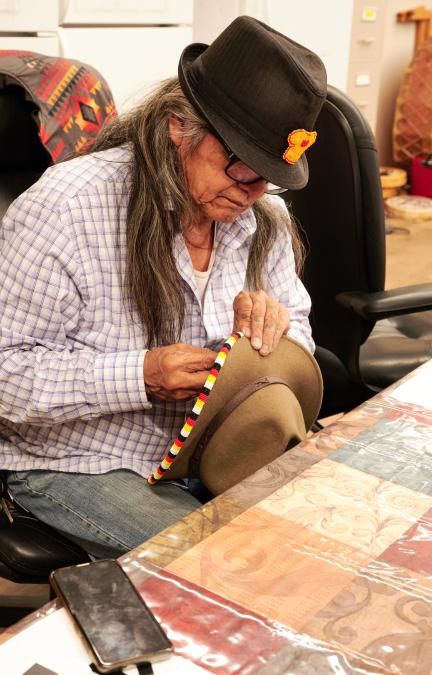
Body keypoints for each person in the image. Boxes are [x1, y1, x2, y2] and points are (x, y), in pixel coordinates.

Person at [0, 16, 327, 558]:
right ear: (180, 126)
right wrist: (139, 376)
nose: (253, 192)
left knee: (327, 537)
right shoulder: (68, 208)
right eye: (241, 168)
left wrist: (278, 341)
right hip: (80, 461)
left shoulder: (261, 214)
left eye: (268, 176)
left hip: (216, 452)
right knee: (240, 563)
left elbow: (303, 343)